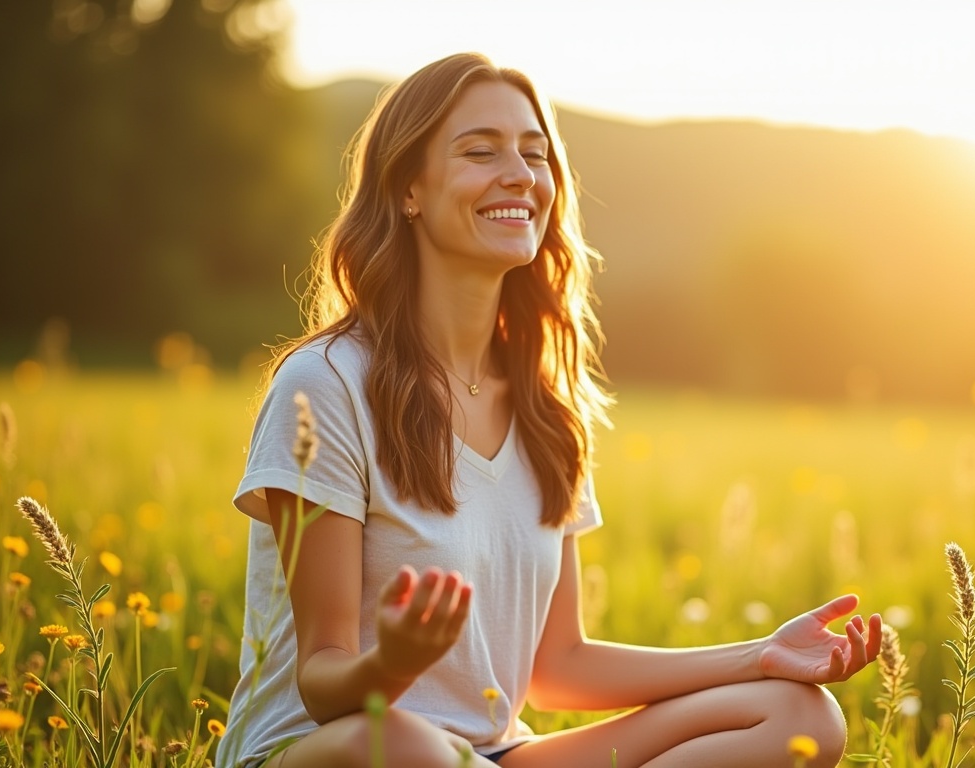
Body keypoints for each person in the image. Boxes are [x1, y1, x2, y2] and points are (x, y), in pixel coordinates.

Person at [221, 52, 881, 768]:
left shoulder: (547, 407)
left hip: (492, 757)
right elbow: (324, 685)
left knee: (797, 714)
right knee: (411, 744)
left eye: (534, 155)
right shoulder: (325, 384)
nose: (519, 174)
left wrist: (762, 654)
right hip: (336, 748)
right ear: (408, 188)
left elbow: (558, 662)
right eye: (481, 151)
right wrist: (396, 663)